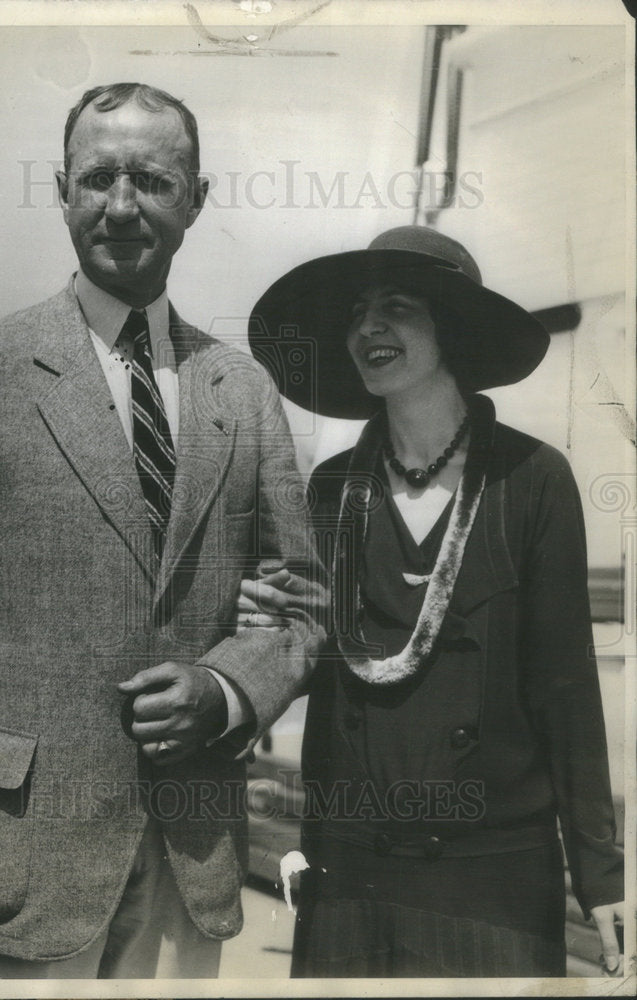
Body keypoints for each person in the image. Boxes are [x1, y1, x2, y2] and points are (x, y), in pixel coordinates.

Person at [0, 82, 324, 980]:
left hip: (189, 859)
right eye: (98, 178)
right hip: (19, 865)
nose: (121, 206)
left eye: (152, 180)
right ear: (63, 189)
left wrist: (224, 689)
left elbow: (300, 603)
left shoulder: (244, 389)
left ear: (196, 199)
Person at [242, 225, 624, 977]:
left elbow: (566, 687)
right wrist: (264, 628)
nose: (366, 328)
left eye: (396, 306)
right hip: (351, 866)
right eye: (355, 312)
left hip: (494, 870)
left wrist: (599, 871)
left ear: (450, 325)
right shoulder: (329, 492)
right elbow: (309, 662)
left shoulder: (531, 479)